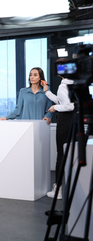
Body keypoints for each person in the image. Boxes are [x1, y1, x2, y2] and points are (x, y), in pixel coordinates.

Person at [41, 68, 75, 200]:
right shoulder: (74, 83)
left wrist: (55, 108)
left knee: (61, 155)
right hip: (73, 122)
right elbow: (61, 100)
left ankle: (58, 190)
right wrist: (46, 91)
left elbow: (68, 106)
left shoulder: (63, 85)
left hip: (65, 122)